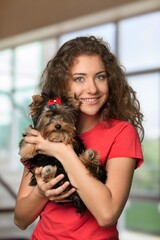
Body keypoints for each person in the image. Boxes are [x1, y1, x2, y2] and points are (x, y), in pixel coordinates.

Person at [14, 36, 144, 240]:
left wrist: (61, 151)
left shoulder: (122, 133)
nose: (92, 88)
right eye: (79, 78)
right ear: (63, 84)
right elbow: (20, 220)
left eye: (100, 76)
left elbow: (107, 214)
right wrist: (41, 192)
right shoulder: (44, 132)